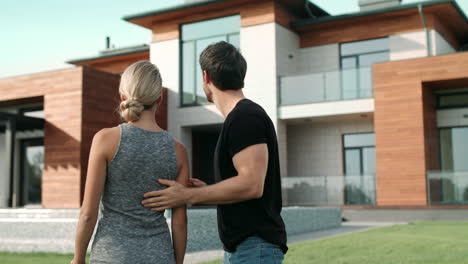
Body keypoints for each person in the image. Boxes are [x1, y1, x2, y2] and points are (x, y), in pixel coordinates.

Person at [142, 41, 287, 264]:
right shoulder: (241, 118)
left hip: (254, 248)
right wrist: (208, 190)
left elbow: (252, 184)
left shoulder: (245, 117)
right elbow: (245, 186)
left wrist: (188, 195)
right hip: (245, 248)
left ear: (206, 77)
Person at [71, 60, 188, 264]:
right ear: (160, 98)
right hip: (159, 256)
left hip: (112, 256)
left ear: (123, 97)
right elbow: (179, 223)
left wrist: (78, 258)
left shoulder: (105, 140)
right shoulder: (179, 151)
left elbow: (88, 213)